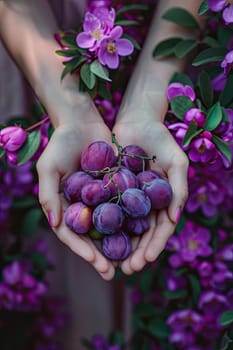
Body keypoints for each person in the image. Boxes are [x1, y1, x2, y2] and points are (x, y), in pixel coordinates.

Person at [0, 0, 202, 282]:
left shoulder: (113, 186)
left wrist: (148, 103)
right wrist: (68, 107)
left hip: (159, 42)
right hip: (43, 51)